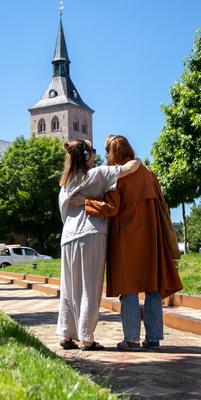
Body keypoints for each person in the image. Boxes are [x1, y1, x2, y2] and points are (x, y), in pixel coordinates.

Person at [73, 135, 182, 351]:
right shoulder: (148, 173)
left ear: (114, 152)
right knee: (152, 288)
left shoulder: (117, 175)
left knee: (129, 289)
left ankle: (131, 339)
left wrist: (87, 203)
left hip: (126, 239)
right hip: (152, 239)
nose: (105, 157)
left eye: (107, 152)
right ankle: (153, 338)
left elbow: (111, 208)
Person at [57, 139, 142, 351]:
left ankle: (66, 336)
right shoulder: (97, 173)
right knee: (90, 288)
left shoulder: (66, 182)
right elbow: (130, 167)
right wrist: (138, 158)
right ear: (86, 156)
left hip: (68, 236)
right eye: (93, 151)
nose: (95, 154)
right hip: (91, 234)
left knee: (69, 288)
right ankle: (86, 338)